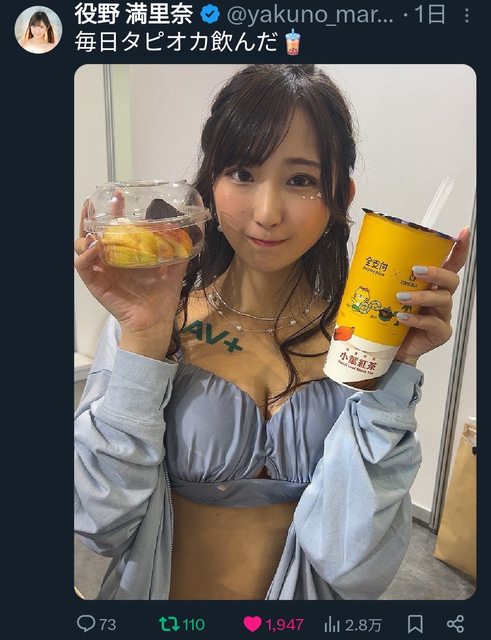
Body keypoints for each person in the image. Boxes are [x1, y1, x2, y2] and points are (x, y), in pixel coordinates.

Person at [74, 64, 470, 600]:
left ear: (340, 196)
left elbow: (357, 565)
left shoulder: (360, 346)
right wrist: (143, 341)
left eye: (301, 181)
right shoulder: (155, 323)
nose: (266, 213)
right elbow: (96, 522)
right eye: (242, 173)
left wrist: (395, 373)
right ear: (209, 188)